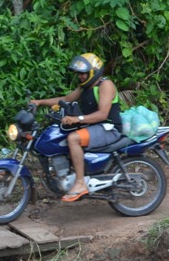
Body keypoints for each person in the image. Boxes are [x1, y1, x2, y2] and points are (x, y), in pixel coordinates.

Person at [31, 52, 123, 202]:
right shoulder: (84, 87)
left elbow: (102, 114)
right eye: (79, 74)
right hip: (95, 126)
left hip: (109, 128)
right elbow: (66, 99)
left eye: (83, 74)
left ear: (94, 72)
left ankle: (80, 183)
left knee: (73, 139)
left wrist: (76, 119)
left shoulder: (105, 85)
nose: (80, 77)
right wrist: (39, 102)